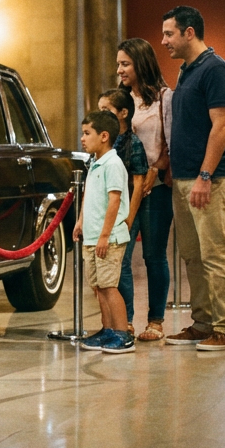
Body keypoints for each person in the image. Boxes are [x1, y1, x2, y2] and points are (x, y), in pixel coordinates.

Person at [160, 5, 225, 351]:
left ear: (189, 32)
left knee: (215, 254)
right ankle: (203, 322)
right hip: (183, 178)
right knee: (192, 255)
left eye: (169, 34)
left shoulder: (216, 70)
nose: (164, 41)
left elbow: (221, 126)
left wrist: (205, 176)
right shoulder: (185, 71)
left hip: (210, 179)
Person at [116, 38, 173, 342]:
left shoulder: (165, 98)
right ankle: (125, 320)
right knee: (122, 256)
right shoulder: (119, 99)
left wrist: (156, 169)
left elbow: (171, 143)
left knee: (154, 255)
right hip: (124, 188)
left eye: (125, 64)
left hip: (156, 186)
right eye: (118, 64)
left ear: (141, 63)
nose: (120, 70)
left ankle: (156, 321)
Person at [73, 110, 134, 354]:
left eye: (87, 133)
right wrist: (80, 221)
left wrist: (105, 235)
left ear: (105, 136)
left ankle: (122, 334)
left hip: (108, 238)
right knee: (98, 286)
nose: (82, 138)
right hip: (92, 236)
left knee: (110, 286)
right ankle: (107, 329)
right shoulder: (95, 163)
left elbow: (114, 201)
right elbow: (90, 197)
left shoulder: (113, 163)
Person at [98, 88, 149, 337]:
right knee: (104, 268)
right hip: (104, 212)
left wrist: (129, 218)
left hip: (125, 212)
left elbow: (138, 183)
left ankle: (126, 319)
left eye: (106, 110)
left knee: (122, 264)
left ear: (123, 113)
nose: (100, 115)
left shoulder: (133, 143)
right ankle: (108, 322)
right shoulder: (103, 141)